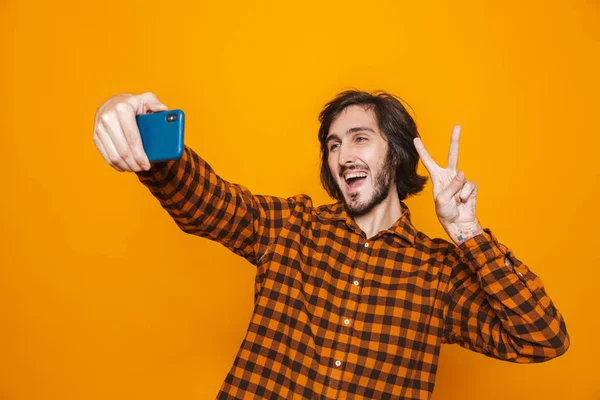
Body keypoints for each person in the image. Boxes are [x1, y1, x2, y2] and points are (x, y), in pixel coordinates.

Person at [93, 90, 570, 399]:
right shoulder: (290, 227)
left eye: (359, 139)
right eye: (334, 145)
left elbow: (542, 337)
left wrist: (467, 232)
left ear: (396, 154)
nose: (343, 156)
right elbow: (207, 203)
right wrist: (132, 123)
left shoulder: (438, 273)